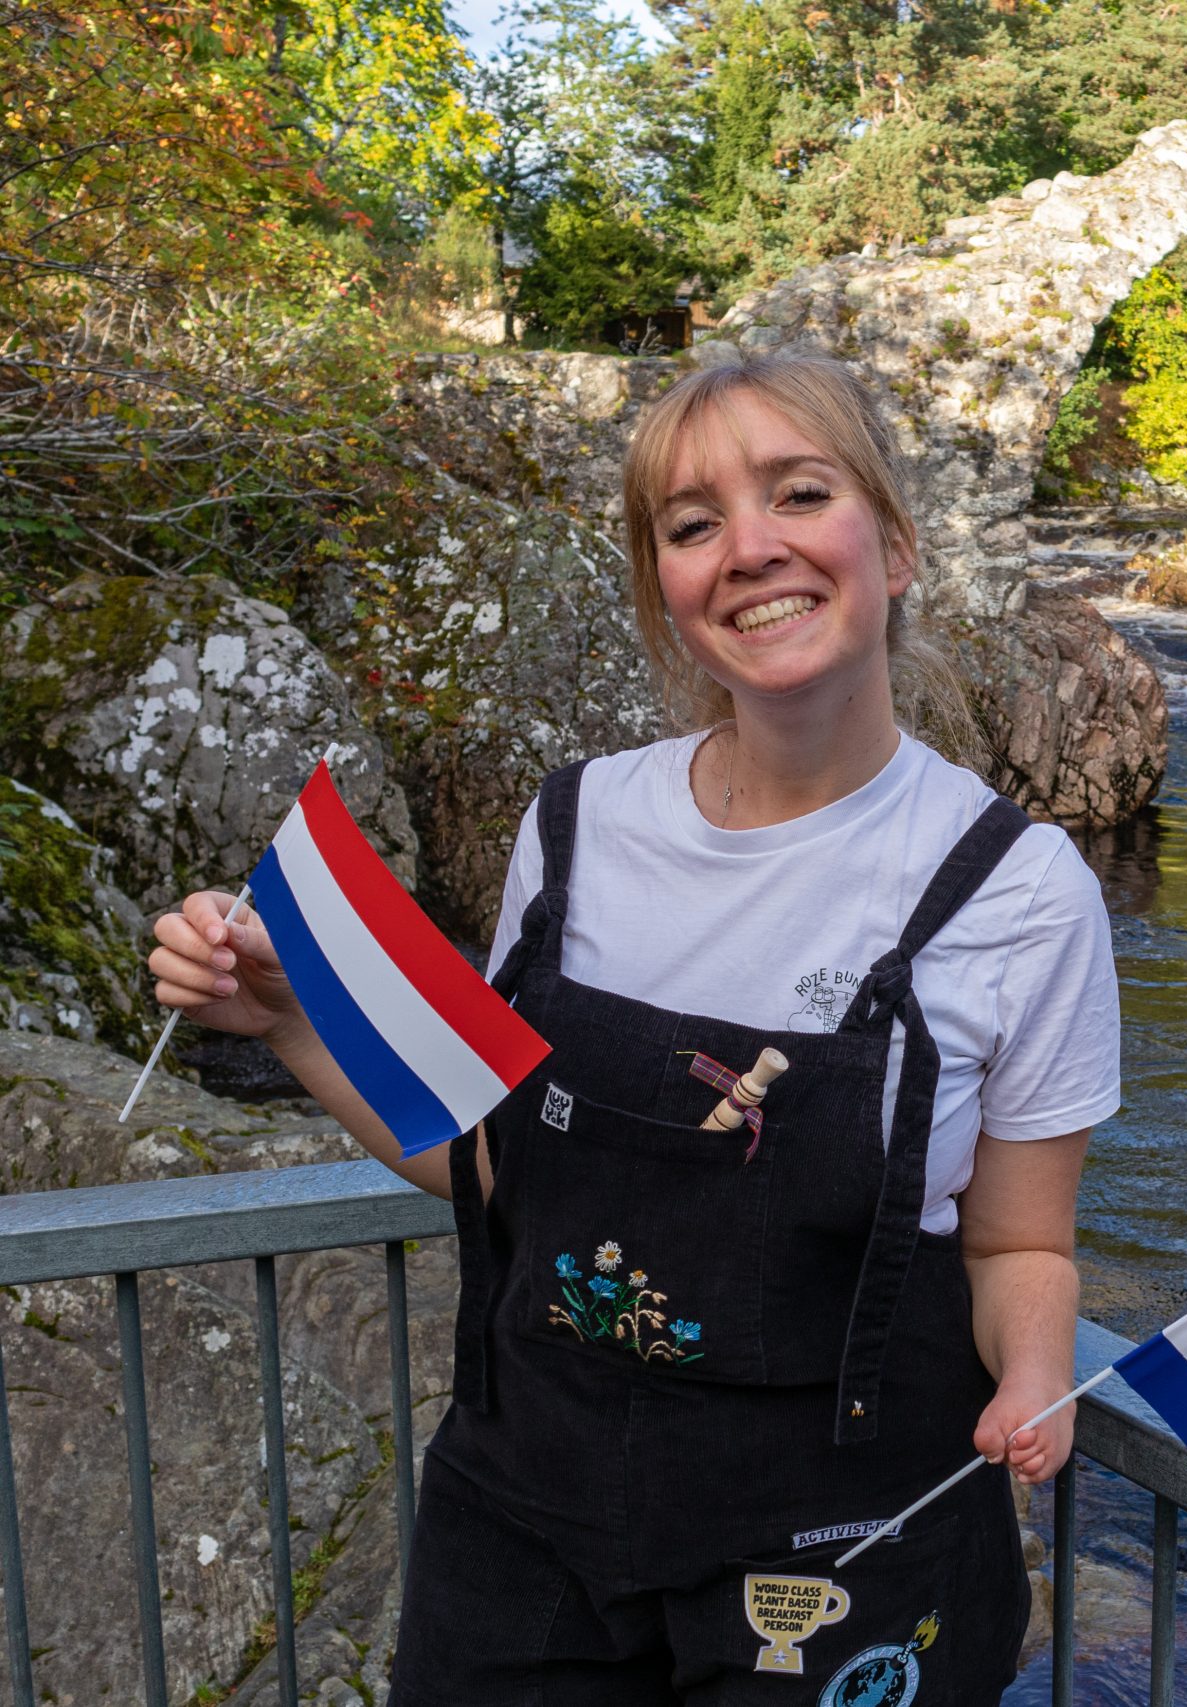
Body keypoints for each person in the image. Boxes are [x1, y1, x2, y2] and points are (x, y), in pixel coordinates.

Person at [145, 343, 1120, 1703]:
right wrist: (290, 1023)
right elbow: (496, 1171)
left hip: (841, 1556)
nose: (749, 548)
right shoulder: (573, 829)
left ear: (893, 548)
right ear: (664, 592)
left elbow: (1022, 1238)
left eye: (797, 493)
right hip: (524, 1531)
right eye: (692, 522)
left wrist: (1032, 1372)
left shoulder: (1019, 896)